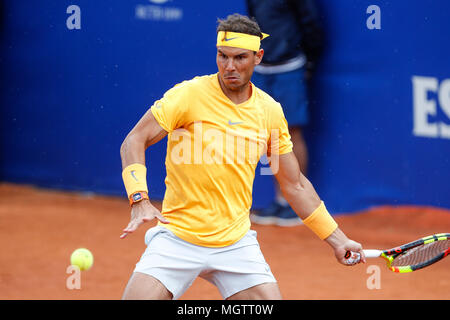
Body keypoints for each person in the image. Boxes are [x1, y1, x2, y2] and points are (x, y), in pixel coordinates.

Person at [119, 13, 364, 300]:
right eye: (222, 56)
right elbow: (134, 140)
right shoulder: (187, 96)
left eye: (239, 58)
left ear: (258, 57)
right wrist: (139, 198)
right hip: (177, 238)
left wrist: (338, 240)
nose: (229, 67)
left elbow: (294, 184)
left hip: (234, 244)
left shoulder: (269, 111)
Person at [246, 0, 324, 226]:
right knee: (270, 134)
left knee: (291, 132)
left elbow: (311, 25)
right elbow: (253, 25)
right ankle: (281, 200)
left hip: (289, 68)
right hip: (261, 68)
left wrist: (309, 61)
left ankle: (296, 203)